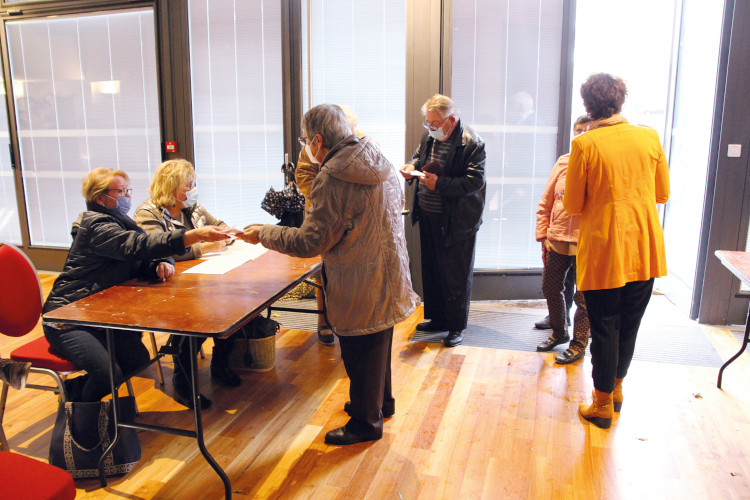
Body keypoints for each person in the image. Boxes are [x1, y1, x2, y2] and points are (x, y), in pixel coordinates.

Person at [239, 104, 415, 445]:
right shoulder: (376, 157)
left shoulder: (334, 177)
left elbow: (310, 241)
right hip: (390, 268)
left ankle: (366, 424)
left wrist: (264, 232)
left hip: (359, 275)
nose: (305, 146)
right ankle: (380, 404)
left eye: (305, 140)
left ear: (318, 139)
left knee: (360, 346)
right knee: (378, 340)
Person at [42, 167, 231, 404]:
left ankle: (74, 390)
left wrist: (156, 265)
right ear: (100, 198)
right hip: (69, 318)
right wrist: (192, 236)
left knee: (138, 360)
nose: (127, 196)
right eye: (120, 191)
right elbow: (136, 246)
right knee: (106, 374)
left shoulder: (121, 221)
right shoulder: (96, 225)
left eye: (127, 190)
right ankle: (79, 414)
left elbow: (139, 257)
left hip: (100, 313)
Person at [563, 73, 670, 429]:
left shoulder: (585, 144)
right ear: (620, 100)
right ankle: (617, 391)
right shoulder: (648, 136)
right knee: (629, 325)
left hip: (605, 248)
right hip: (645, 245)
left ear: (588, 105)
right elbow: (662, 194)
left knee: (605, 326)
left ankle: (602, 404)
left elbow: (574, 204)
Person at [134, 159, 242, 407]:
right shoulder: (148, 214)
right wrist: (202, 247)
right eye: (189, 184)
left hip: (201, 277)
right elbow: (158, 249)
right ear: (172, 188)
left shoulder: (192, 208)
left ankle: (220, 364)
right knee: (196, 320)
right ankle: (182, 383)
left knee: (235, 307)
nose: (194, 189)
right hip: (162, 285)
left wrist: (226, 232)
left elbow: (219, 224)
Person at [400, 94, 486, 347]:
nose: (430, 128)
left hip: (459, 220)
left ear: (452, 120)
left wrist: (441, 184)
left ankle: (456, 325)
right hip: (428, 214)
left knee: (456, 275)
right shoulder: (429, 136)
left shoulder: (472, 142)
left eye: (435, 123)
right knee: (433, 271)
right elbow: (420, 157)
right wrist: (410, 166)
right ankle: (437, 318)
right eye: (428, 123)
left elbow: (475, 181)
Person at [295, 104, 365, 346]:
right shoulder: (312, 145)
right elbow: (303, 176)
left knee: (352, 269)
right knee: (323, 271)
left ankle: (352, 320)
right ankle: (323, 321)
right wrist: (326, 194)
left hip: (352, 217)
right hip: (320, 210)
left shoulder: (364, 143)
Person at [535, 115, 592, 364]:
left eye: (586, 131)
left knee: (585, 296)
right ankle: (559, 332)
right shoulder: (563, 162)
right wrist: (543, 235)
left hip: (586, 243)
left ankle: (579, 343)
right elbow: (546, 201)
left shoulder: (599, 164)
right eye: (577, 130)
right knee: (550, 286)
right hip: (556, 239)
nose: (581, 135)